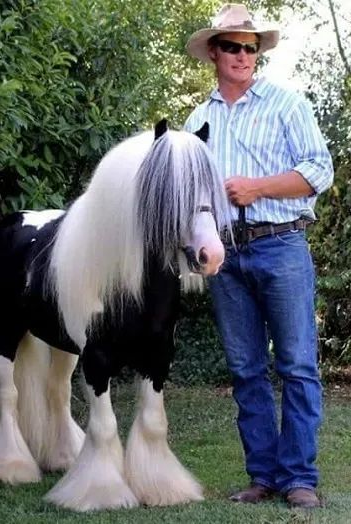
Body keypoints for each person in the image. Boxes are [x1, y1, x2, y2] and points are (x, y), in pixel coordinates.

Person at [183, 3, 334, 509]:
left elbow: (319, 171)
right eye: (232, 46)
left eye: (251, 47)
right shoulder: (196, 119)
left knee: (296, 366)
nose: (244, 55)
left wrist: (258, 187)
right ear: (213, 52)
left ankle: (299, 479)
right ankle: (263, 477)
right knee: (246, 370)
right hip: (224, 255)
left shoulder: (287, 104)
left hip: (283, 244)